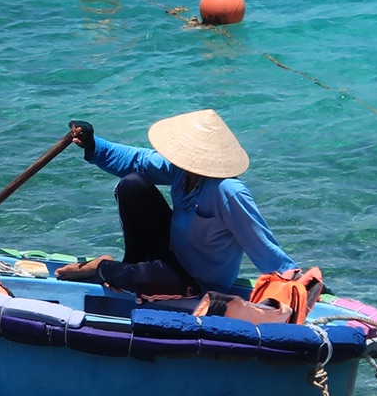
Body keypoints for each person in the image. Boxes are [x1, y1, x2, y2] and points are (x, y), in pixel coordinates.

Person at [55, 108, 298, 296]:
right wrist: (93, 144)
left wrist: (296, 281)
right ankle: (131, 268)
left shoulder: (228, 191)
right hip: (169, 257)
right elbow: (137, 160)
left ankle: (103, 266)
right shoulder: (181, 171)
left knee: (134, 279)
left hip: (199, 282)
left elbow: (261, 242)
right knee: (133, 184)